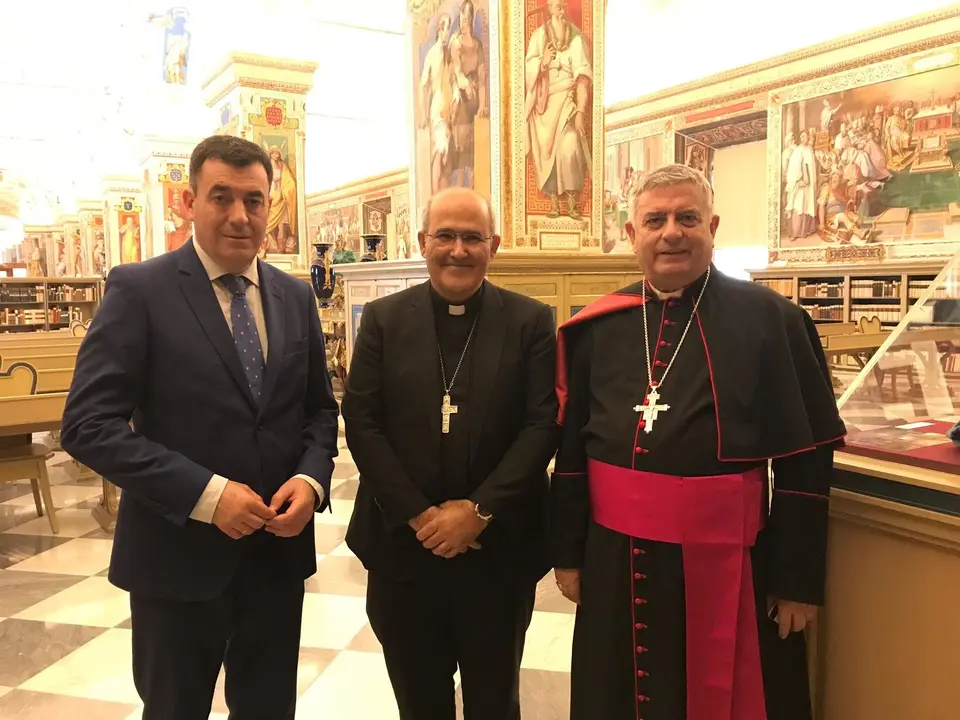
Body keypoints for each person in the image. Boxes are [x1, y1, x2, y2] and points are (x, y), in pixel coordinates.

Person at [551, 164, 846, 720]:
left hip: (732, 561)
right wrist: (568, 555)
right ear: (631, 233)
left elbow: (806, 462)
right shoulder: (597, 327)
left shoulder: (772, 322)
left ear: (712, 226)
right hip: (615, 559)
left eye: (687, 217)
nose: (671, 232)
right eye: (655, 220)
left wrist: (797, 581)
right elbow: (571, 452)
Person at [60, 135, 340, 720]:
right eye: (222, 197)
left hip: (275, 559)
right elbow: (88, 425)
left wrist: (311, 482)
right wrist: (208, 496)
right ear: (189, 202)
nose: (240, 215)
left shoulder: (293, 297)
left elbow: (318, 408)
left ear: (271, 208)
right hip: (176, 562)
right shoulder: (139, 290)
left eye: (254, 200)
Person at [342, 187, 558, 720]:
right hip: (402, 550)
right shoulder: (385, 320)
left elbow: (541, 425)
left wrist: (478, 511)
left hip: (498, 552)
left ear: (494, 245)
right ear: (423, 242)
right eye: (445, 236)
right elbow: (362, 422)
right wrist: (421, 516)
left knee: (494, 700)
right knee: (419, 702)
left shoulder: (530, 322)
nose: (458, 250)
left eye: (472, 237)